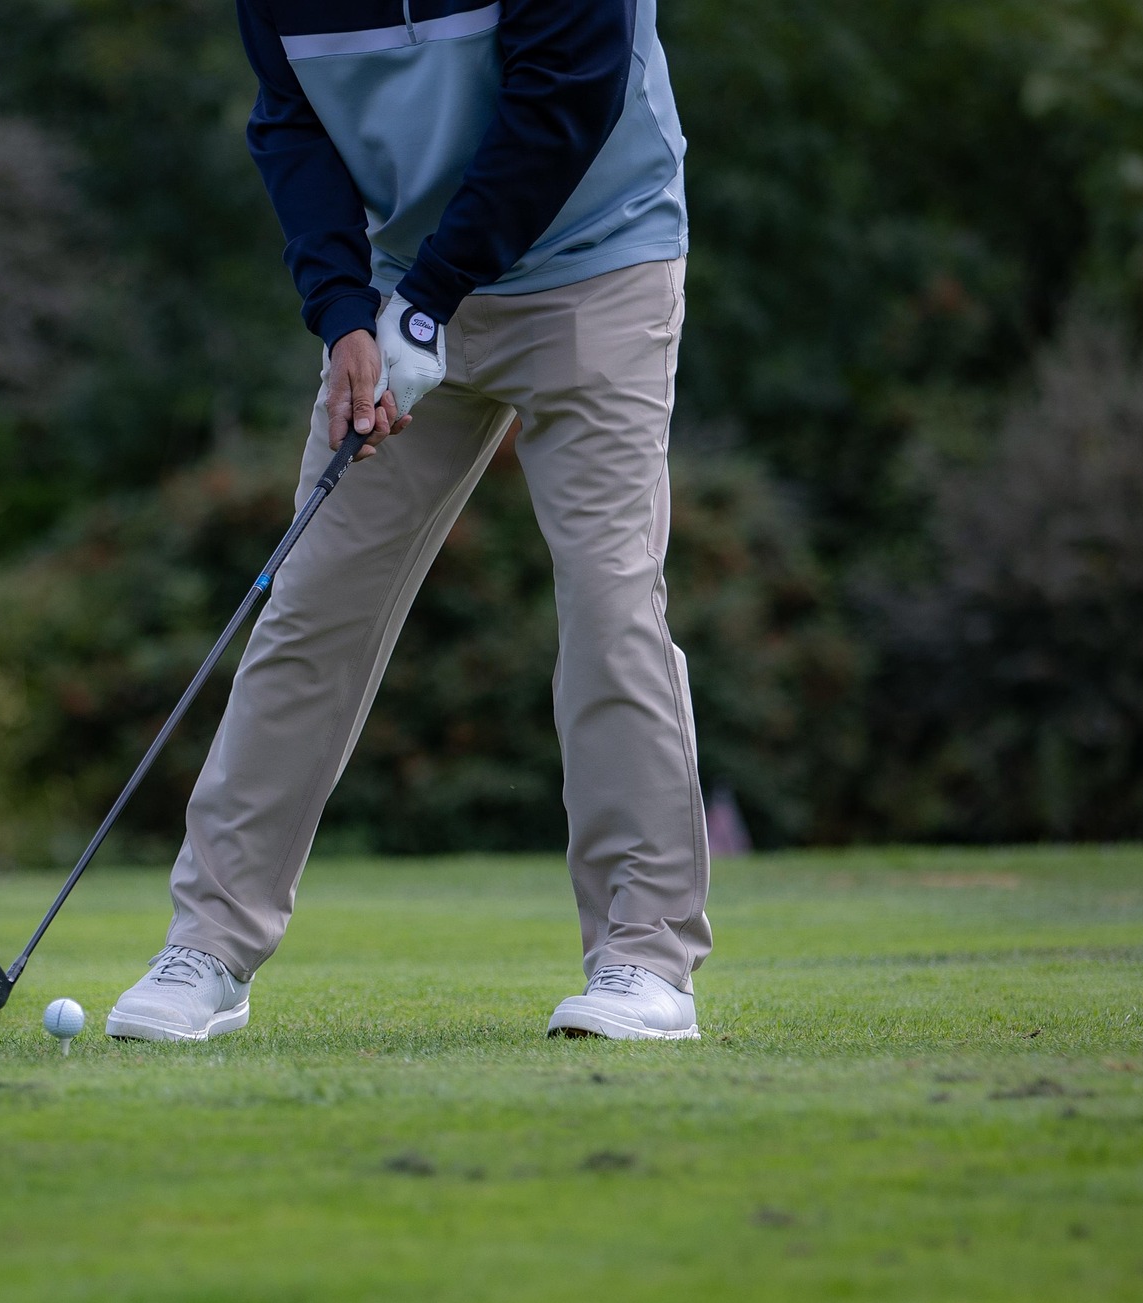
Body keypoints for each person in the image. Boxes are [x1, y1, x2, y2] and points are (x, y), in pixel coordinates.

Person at [106, 0, 712, 1043]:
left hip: (598, 262)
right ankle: (209, 944)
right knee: (312, 609)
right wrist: (345, 311)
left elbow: (566, 97)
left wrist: (429, 297)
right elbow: (291, 125)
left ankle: (644, 956)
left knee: (611, 603)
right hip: (400, 292)